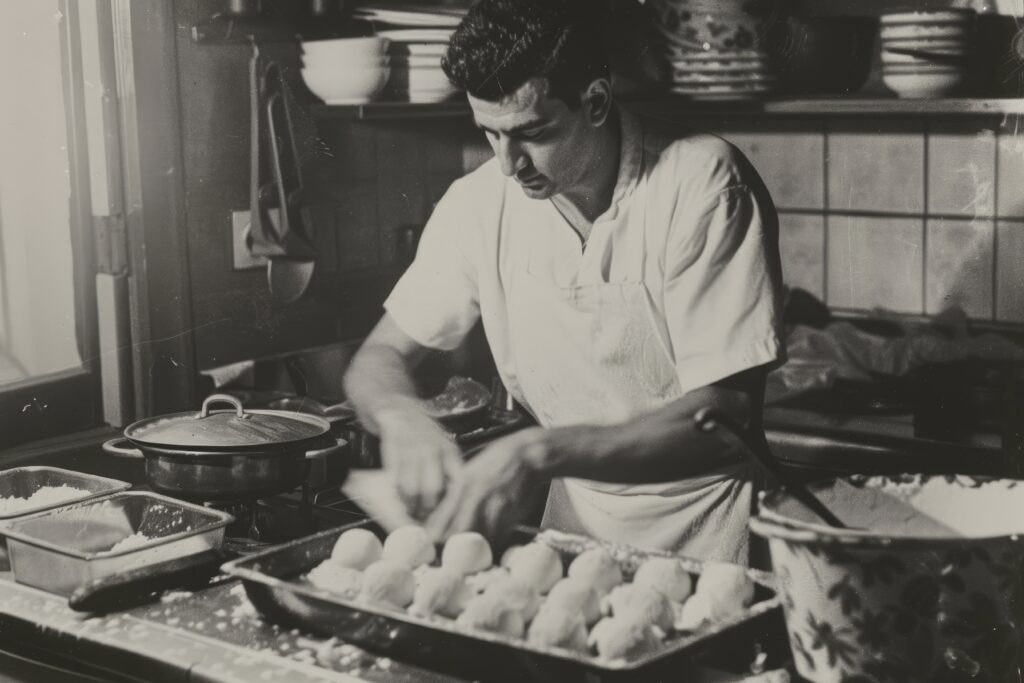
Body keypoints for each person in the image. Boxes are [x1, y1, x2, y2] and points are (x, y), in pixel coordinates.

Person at [343, 0, 785, 564]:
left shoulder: (701, 184)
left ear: (596, 101)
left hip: (712, 530)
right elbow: (377, 358)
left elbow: (725, 421)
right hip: (575, 535)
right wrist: (400, 416)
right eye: (490, 134)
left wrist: (537, 452)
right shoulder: (479, 204)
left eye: (531, 132)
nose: (509, 164)